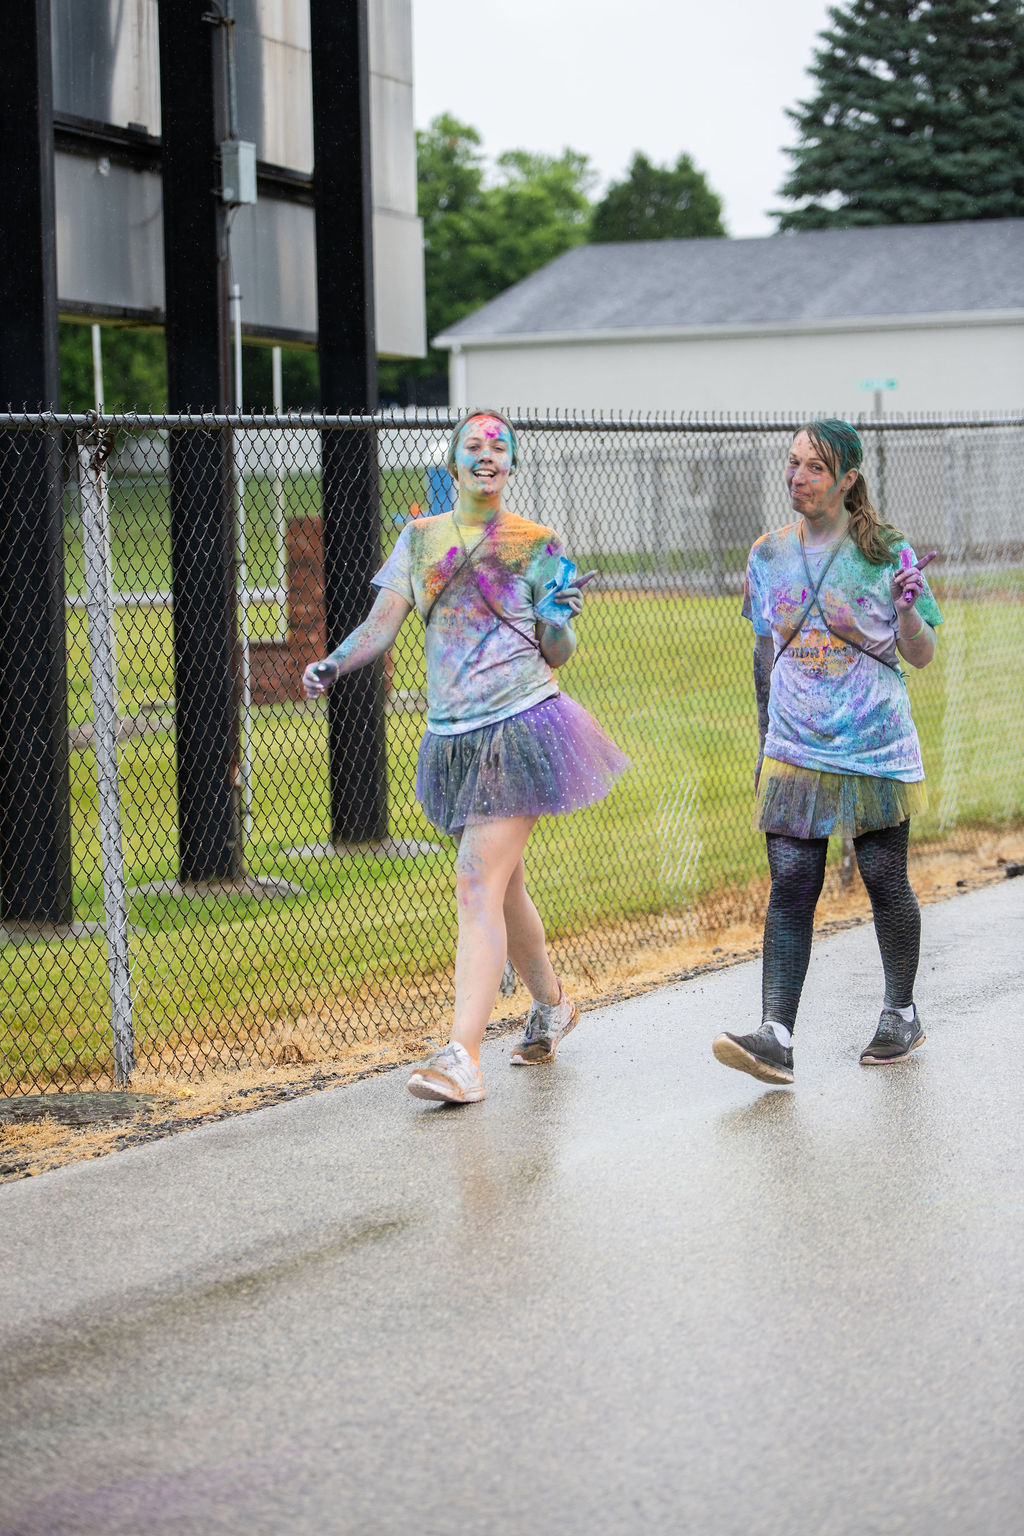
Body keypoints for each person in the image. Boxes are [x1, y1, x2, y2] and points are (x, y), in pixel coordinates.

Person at [302, 410, 628, 1105]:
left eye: (498, 446)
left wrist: (560, 619)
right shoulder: (420, 539)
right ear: (451, 464)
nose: (486, 454)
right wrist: (333, 664)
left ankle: (462, 1057)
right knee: (503, 888)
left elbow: (557, 651)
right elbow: (380, 626)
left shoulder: (537, 543)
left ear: (510, 465)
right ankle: (552, 1005)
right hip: (452, 739)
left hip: (522, 726)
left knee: (476, 881)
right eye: (473, 445)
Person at [712, 418, 942, 1086]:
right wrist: (766, 743)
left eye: (815, 467)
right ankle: (775, 1037)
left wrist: (906, 611)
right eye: (793, 463)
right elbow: (764, 654)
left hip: (874, 745)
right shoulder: (767, 555)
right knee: (791, 885)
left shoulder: (886, 552)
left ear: (847, 479)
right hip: (795, 747)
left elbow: (922, 654)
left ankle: (900, 1012)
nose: (798, 477)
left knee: (883, 878)